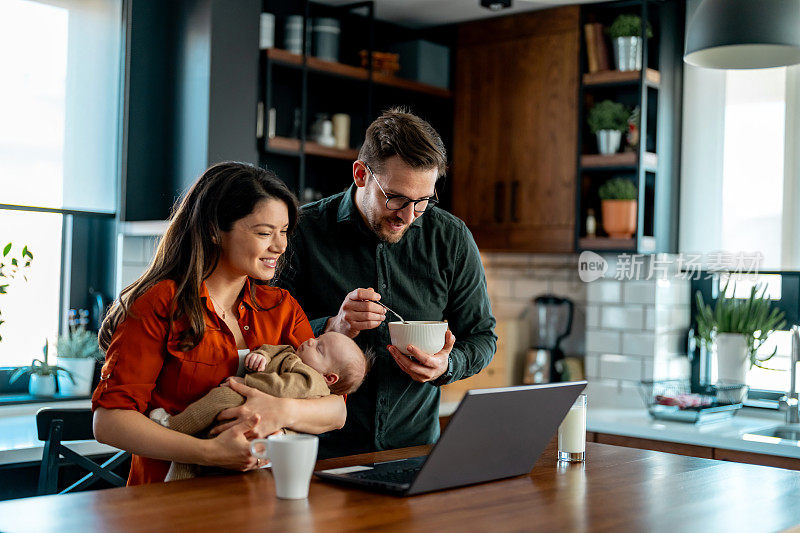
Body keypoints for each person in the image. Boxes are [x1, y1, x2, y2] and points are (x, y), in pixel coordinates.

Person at [92, 161, 347, 485]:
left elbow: (336, 410)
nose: (280, 246)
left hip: (262, 501)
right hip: (167, 506)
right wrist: (211, 452)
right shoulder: (159, 304)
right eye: (264, 233)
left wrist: (280, 411)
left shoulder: (282, 308)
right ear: (214, 230)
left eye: (283, 232)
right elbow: (109, 422)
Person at [277, 108, 497, 458]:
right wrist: (333, 326)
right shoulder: (302, 232)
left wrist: (447, 365)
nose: (408, 217)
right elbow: (261, 336)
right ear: (361, 174)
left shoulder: (451, 238)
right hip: (319, 454)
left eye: (422, 202)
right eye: (395, 198)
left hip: (416, 451)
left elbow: (483, 336)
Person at [149, 332, 372, 480]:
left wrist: (247, 382)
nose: (312, 341)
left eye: (320, 349)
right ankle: (176, 481)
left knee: (220, 398)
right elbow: (269, 349)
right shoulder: (294, 352)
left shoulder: (310, 379)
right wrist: (260, 356)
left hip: (247, 408)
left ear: (329, 378)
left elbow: (283, 388)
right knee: (192, 451)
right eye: (318, 337)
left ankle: (173, 425)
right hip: (245, 418)